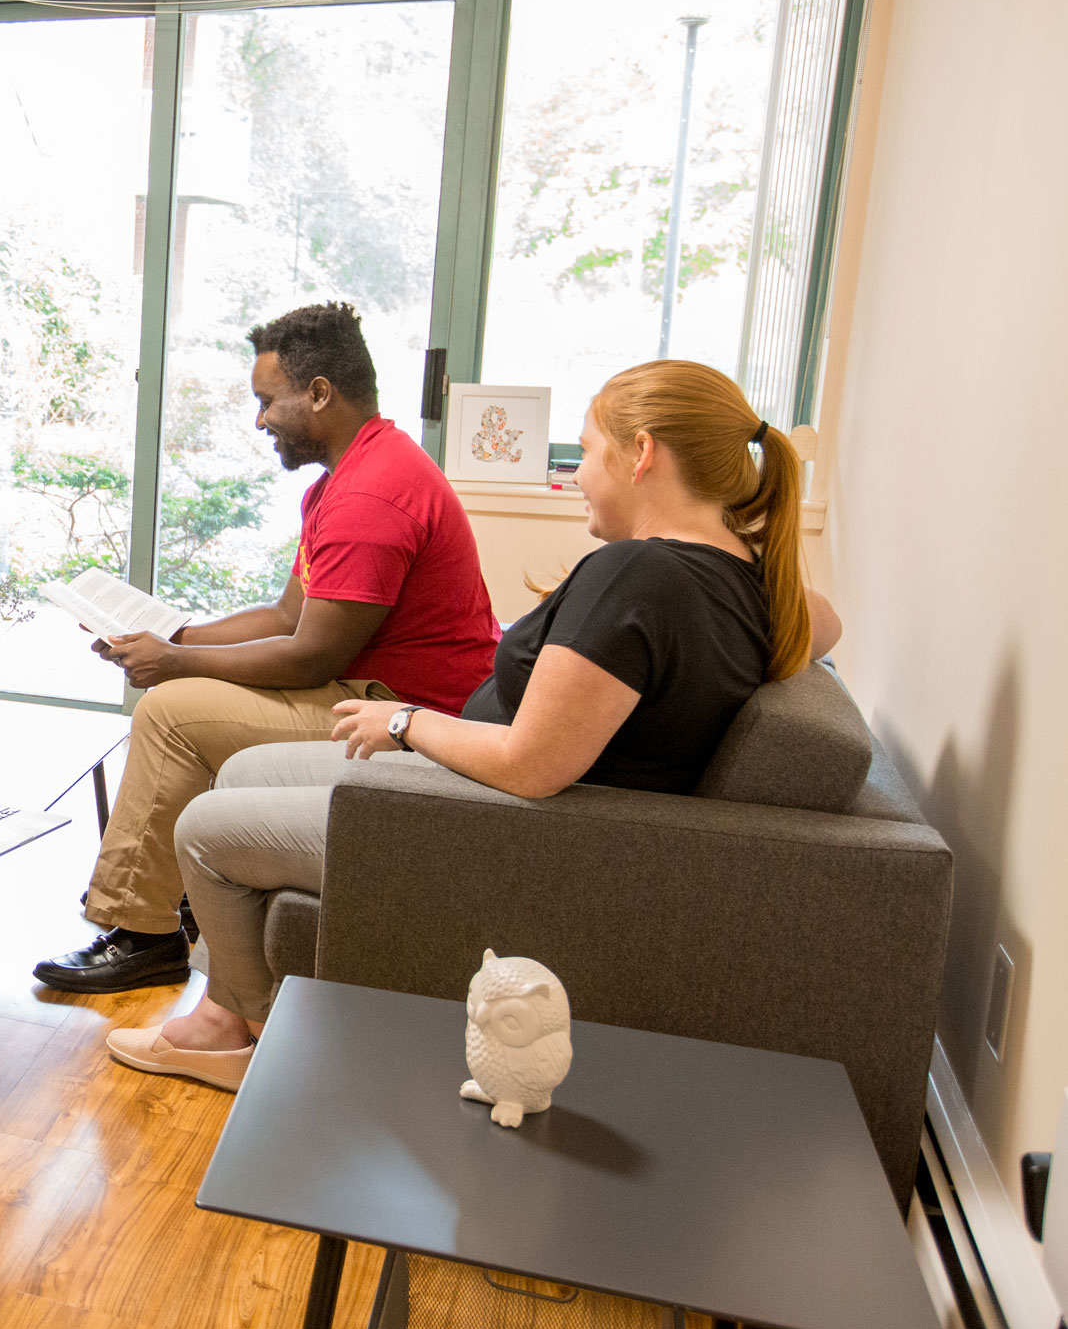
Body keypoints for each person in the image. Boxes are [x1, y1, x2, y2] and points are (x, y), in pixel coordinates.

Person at [105, 358, 844, 1091]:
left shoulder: (640, 577)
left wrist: (403, 721)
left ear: (642, 453)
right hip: (495, 798)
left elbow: (530, 765)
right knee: (240, 772)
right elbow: (827, 622)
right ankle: (239, 1015)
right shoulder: (746, 576)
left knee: (204, 827)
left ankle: (253, 1038)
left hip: (495, 824)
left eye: (585, 452)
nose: (580, 474)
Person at [33, 302, 500, 994]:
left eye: (265, 401)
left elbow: (311, 656)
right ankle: (168, 910)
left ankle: (144, 933)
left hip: (406, 716)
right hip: (367, 690)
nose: (259, 421)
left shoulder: (374, 494)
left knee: (170, 712)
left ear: (318, 393)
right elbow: (288, 613)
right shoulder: (350, 476)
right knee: (178, 695)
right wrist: (175, 637)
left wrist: (177, 664)